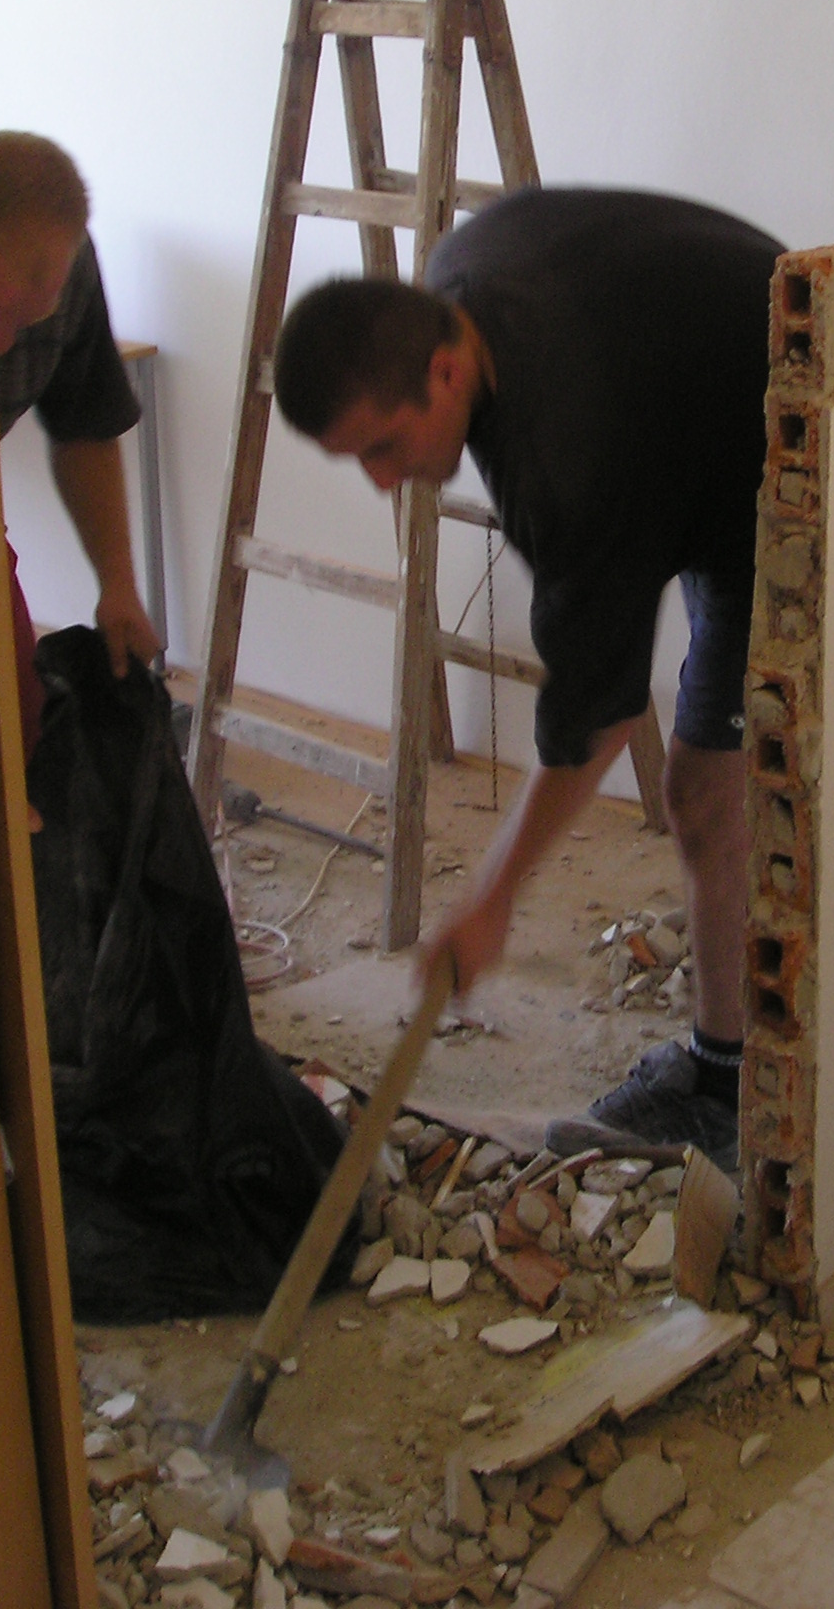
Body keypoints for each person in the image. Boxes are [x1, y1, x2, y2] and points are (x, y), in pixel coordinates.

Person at [273, 186, 781, 1171]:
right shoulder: (454, 278)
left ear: (444, 369)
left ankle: (727, 1087)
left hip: (778, 438)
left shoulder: (567, 454)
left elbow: (596, 715)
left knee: (705, 793)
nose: (382, 482)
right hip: (691, 398)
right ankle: (722, 1064)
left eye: (383, 446)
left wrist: (492, 894)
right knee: (705, 781)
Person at [0, 131, 162, 765]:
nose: (3, 346)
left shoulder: (70, 263)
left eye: (28, 323)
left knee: (18, 726)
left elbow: (85, 425)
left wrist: (118, 585)